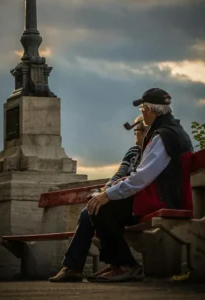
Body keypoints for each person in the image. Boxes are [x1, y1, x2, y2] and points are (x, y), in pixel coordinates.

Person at [85, 88, 194, 282]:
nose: (142, 112)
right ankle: (119, 264)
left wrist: (107, 194)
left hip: (163, 199)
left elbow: (142, 177)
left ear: (150, 110)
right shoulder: (172, 131)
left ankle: (126, 265)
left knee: (101, 208)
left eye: (143, 108)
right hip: (168, 195)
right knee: (104, 206)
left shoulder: (162, 136)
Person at [48, 116, 149, 283]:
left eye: (137, 130)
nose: (135, 134)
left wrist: (109, 193)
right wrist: (105, 190)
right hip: (120, 199)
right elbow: (119, 174)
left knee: (96, 210)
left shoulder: (151, 153)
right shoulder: (133, 151)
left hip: (134, 203)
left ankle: (121, 264)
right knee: (89, 211)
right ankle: (75, 267)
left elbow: (137, 180)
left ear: (146, 132)